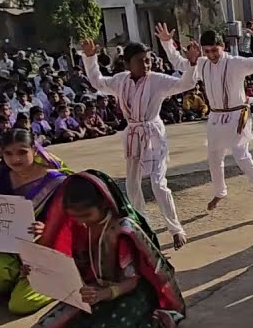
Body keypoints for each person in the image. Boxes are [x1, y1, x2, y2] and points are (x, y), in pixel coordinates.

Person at [22, 171, 186, 328]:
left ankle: (159, 323)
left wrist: (105, 294)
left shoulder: (121, 232)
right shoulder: (80, 227)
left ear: (105, 205)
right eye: (74, 216)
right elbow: (66, 265)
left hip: (131, 295)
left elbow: (133, 281)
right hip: (95, 292)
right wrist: (36, 270)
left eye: (86, 215)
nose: (80, 222)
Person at [81, 38, 202, 250]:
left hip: (153, 134)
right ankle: (143, 225)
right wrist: (90, 58)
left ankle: (176, 229)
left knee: (157, 182)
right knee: (132, 184)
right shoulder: (120, 80)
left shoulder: (156, 80)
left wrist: (192, 64)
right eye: (140, 61)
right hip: (133, 134)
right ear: (128, 64)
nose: (146, 65)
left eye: (148, 61)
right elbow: (97, 82)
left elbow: (185, 84)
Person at [157, 21, 253, 215]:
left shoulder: (236, 63)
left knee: (241, 156)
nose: (211, 55)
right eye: (207, 51)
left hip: (237, 115)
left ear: (223, 47)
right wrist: (168, 43)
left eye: (214, 50)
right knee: (213, 156)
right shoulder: (201, 63)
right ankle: (220, 192)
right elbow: (179, 63)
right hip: (216, 116)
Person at [0, 129, 69, 314]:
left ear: (34, 150)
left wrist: (46, 228)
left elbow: (70, 221)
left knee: (21, 304)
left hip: (44, 249)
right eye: (8, 153)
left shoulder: (56, 180)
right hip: (11, 249)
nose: (15, 159)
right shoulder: (3, 173)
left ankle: (60, 282)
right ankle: (18, 278)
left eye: (22, 152)